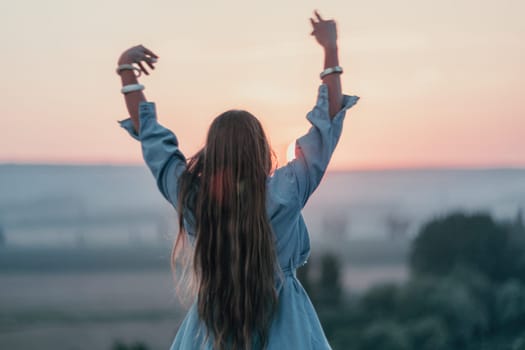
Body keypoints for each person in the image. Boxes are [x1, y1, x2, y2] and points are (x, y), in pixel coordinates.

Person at [116, 10, 359, 350]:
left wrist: (127, 72)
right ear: (261, 150)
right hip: (291, 332)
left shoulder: (194, 199)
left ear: (211, 153)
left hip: (208, 334)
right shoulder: (285, 193)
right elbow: (326, 124)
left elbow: (153, 142)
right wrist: (331, 48)